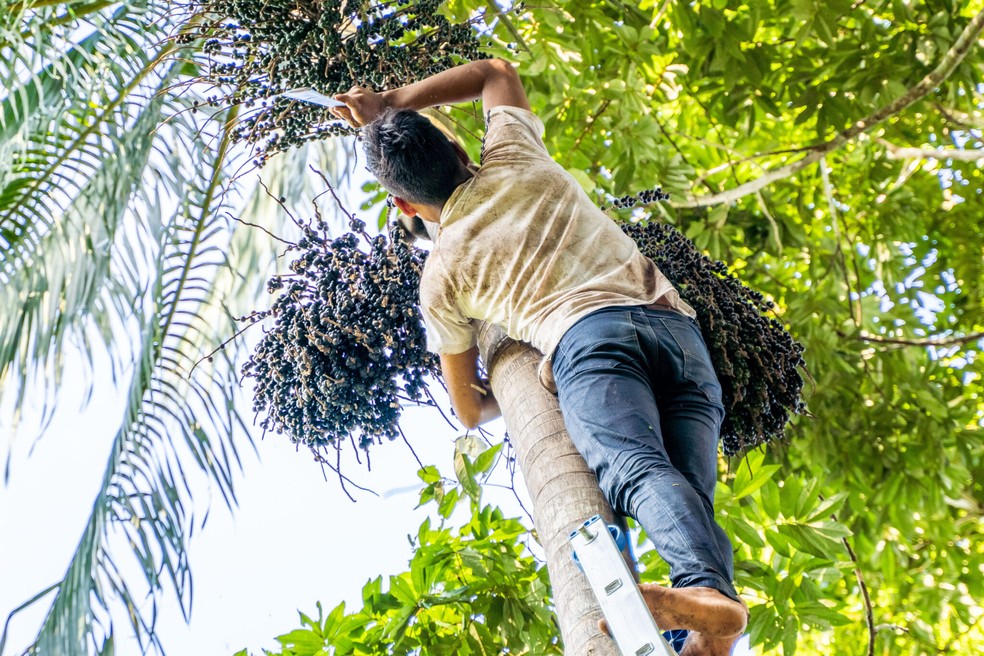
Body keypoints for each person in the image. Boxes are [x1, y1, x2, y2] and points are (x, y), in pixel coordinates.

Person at [331, 58, 748, 656]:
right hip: (679, 336)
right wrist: (393, 100)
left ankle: (710, 601)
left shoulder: (443, 274)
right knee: (685, 498)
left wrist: (515, 387)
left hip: (589, 344)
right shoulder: (516, 155)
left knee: (637, 472)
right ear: (458, 153)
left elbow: (469, 409)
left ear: (404, 206)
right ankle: (709, 616)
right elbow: (493, 71)